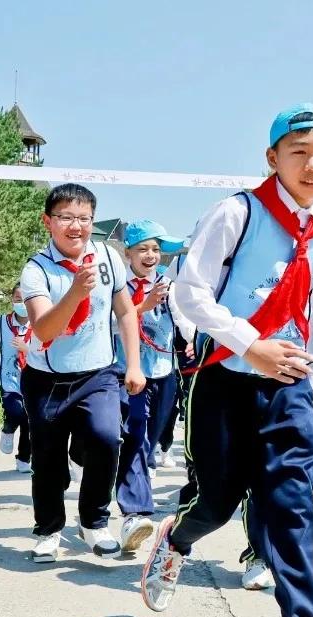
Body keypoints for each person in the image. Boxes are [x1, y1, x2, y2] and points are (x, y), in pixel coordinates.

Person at [142, 103, 313, 617]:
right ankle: (177, 539)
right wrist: (251, 344)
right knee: (220, 502)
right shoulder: (238, 213)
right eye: (299, 152)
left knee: (292, 507)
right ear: (272, 158)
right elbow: (189, 294)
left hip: (290, 388)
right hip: (225, 380)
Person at [19, 183, 144, 563]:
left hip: (98, 374)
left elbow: (125, 312)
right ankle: (48, 529)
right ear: (48, 222)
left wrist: (134, 364)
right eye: (66, 218)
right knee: (49, 461)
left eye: (84, 219)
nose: (76, 227)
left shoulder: (108, 256)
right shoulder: (36, 269)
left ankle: (93, 522)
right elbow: (44, 331)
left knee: (107, 439)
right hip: (47, 380)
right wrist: (74, 291)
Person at [113, 219, 183, 554]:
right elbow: (110, 323)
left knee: (150, 439)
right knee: (136, 439)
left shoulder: (169, 285)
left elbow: (184, 319)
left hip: (164, 372)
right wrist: (143, 305)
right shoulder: (117, 286)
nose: (150, 255)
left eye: (156, 249)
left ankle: (134, 488)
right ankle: (135, 512)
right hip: (129, 373)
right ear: (128, 253)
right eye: (143, 249)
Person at [0, 285, 33, 473]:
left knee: (29, 419)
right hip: (9, 380)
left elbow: (47, 349)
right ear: (12, 300)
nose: (22, 304)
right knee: (16, 411)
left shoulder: (40, 323)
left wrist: (27, 348)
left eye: (26, 299)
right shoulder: (1, 322)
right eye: (18, 299)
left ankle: (24, 458)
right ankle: (8, 429)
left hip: (33, 380)